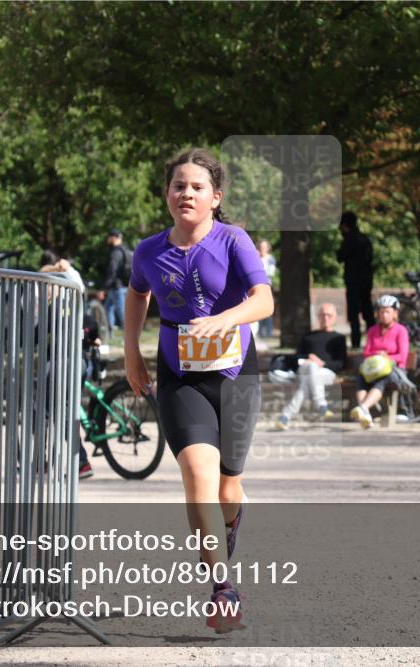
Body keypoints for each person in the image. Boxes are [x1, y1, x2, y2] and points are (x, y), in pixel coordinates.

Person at [124, 147, 273, 634]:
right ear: (167, 194)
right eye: (178, 185)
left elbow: (263, 300)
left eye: (196, 186)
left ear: (215, 197)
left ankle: (230, 521)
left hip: (235, 377)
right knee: (196, 472)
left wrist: (224, 320)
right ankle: (222, 588)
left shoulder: (233, 240)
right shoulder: (148, 251)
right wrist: (132, 352)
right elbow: (137, 293)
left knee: (228, 484)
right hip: (179, 375)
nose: (185, 193)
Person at [39, 260, 95, 479]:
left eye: (45, 285)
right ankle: (50, 462)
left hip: (65, 361)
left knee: (55, 412)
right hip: (74, 361)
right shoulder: (70, 299)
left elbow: (37, 332)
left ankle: (79, 461)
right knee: (60, 411)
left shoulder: (62, 302)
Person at [275, 303, 347, 429]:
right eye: (323, 315)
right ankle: (321, 405)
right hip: (305, 369)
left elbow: (340, 363)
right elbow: (296, 357)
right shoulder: (308, 336)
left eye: (329, 315)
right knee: (312, 368)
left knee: (307, 382)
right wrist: (307, 359)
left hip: (326, 372)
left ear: (334, 317)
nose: (326, 318)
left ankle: (286, 416)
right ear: (318, 317)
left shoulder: (338, 338)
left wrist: (322, 363)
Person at [350, 295, 409, 429]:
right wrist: (377, 355)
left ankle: (363, 407)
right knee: (361, 378)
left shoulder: (401, 331)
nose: (384, 315)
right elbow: (366, 352)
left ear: (395, 313)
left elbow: (402, 356)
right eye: (381, 311)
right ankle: (366, 415)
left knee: (383, 379)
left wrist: (387, 357)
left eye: (387, 311)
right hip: (374, 369)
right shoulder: (373, 330)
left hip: (395, 372)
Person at [336, 211, 374, 349]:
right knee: (368, 313)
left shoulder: (349, 240)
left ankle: (356, 342)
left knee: (354, 314)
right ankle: (373, 341)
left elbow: (340, 257)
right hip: (366, 281)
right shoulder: (365, 239)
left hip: (353, 281)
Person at [102, 229, 131, 338]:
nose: (108, 239)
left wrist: (106, 285)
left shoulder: (116, 252)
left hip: (116, 287)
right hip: (124, 285)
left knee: (121, 312)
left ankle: (127, 336)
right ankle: (110, 334)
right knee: (108, 308)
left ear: (114, 237)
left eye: (109, 236)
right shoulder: (126, 250)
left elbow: (112, 269)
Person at [257, 240, 277, 338]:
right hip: (255, 285)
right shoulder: (255, 257)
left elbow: (271, 273)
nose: (262, 249)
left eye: (264, 247)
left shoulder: (270, 259)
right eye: (261, 247)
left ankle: (268, 332)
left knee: (268, 309)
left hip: (266, 285)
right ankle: (259, 332)